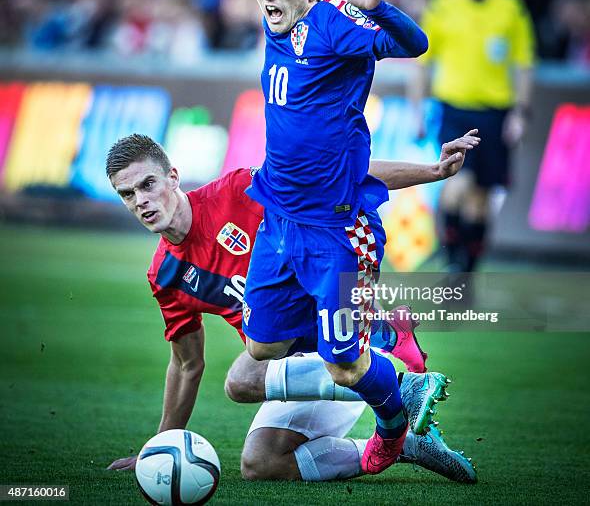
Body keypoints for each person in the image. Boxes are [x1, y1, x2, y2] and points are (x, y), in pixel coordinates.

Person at [179, 0, 432, 474]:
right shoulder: (279, 9)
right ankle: (379, 346)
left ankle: (394, 420)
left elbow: (414, 44)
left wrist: (377, 7)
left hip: (335, 230)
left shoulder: (336, 27)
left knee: (343, 366)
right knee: (262, 350)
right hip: (278, 224)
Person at [106, 133, 478, 483]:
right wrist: (159, 448)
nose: (140, 200)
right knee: (261, 463)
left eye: (147, 184)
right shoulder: (164, 275)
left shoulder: (239, 191)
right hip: (298, 369)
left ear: (172, 177)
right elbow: (187, 364)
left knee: (242, 378)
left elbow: (332, 178)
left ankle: (398, 382)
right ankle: (407, 445)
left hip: (346, 345)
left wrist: (432, 171)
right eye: (127, 194)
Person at [408, 0, 535, 273]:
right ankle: (451, 259)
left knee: (480, 199)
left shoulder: (511, 8)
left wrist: (521, 111)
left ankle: (467, 270)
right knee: (455, 184)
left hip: (495, 113)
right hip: (454, 110)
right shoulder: (442, 6)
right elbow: (423, 62)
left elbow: (523, 64)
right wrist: (418, 110)